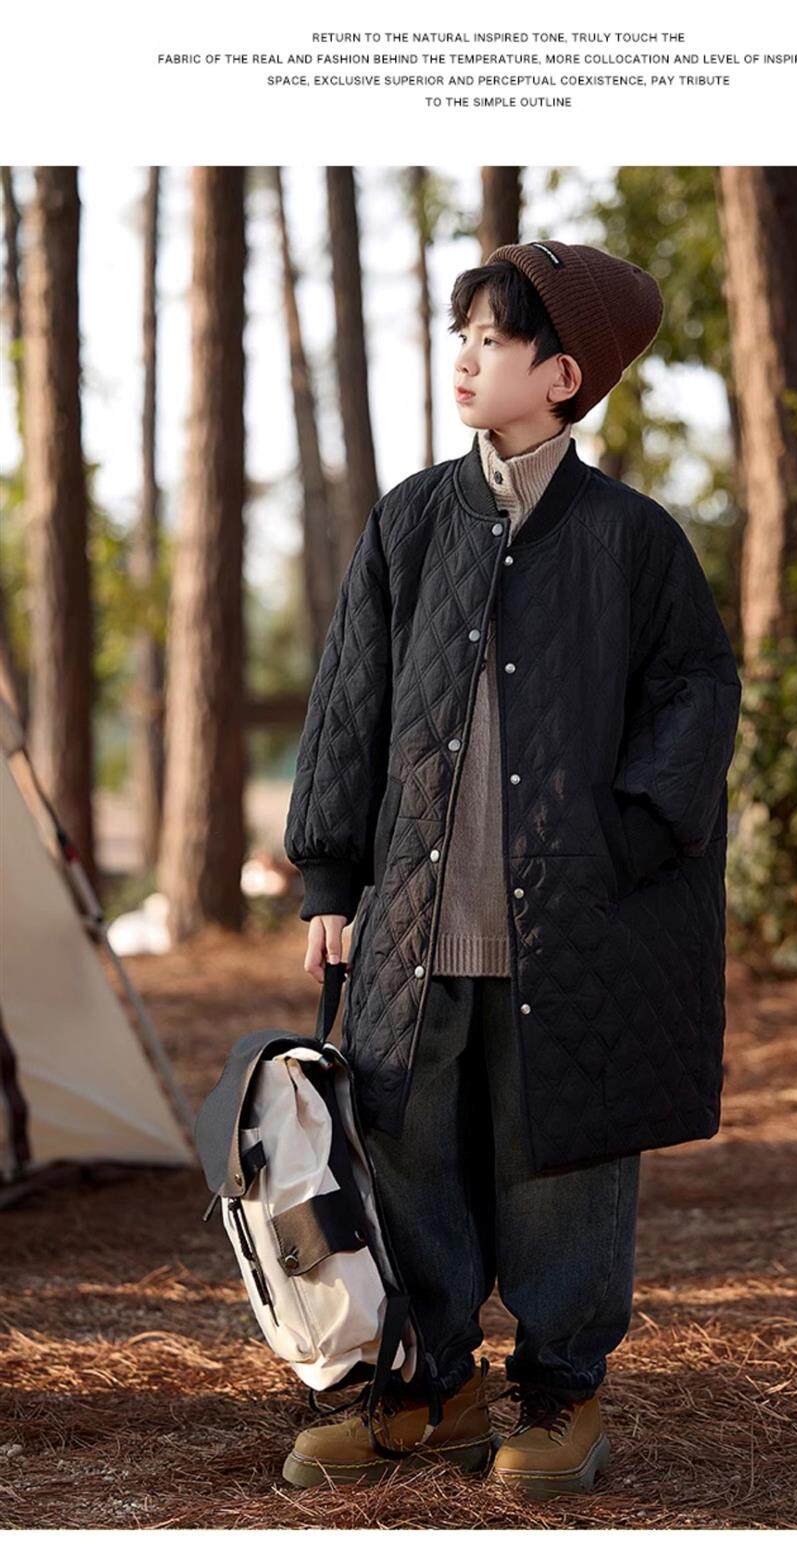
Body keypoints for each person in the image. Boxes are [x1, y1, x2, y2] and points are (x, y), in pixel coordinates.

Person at [281, 240, 742, 1498]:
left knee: (563, 1167)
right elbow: (349, 706)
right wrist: (329, 880)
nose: (465, 358)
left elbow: (697, 695)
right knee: (407, 1151)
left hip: (574, 928)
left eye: (492, 338)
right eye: (462, 335)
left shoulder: (633, 540)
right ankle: (430, 1386)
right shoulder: (409, 521)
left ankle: (561, 1392)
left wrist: (623, 841)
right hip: (415, 922)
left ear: (563, 375)